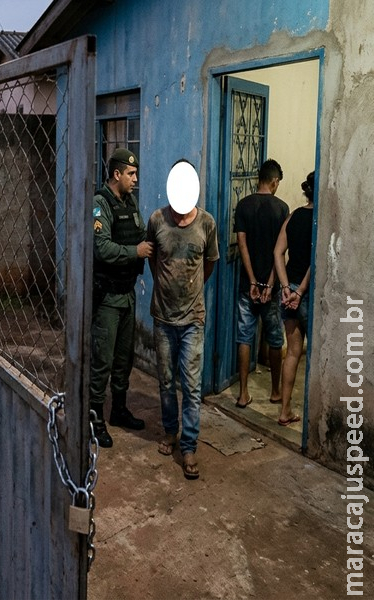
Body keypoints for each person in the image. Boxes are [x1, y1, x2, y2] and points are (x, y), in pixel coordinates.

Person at [147, 160, 219, 480]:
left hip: (193, 319)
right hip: (163, 318)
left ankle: (188, 446)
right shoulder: (157, 220)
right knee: (165, 381)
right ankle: (169, 432)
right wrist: (166, 290)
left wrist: (191, 292)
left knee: (190, 387)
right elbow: (153, 261)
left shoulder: (207, 224)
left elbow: (210, 264)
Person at [89, 148, 154, 448]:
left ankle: (118, 410)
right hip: (108, 299)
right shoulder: (100, 205)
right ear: (116, 174)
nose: (135, 179)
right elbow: (101, 249)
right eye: (131, 174)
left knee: (123, 360)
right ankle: (94, 420)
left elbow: (140, 233)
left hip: (127, 295)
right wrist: (135, 252)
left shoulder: (130, 203)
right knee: (102, 361)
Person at [233, 159, 289, 408]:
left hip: (248, 285)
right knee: (275, 339)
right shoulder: (282, 209)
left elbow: (242, 245)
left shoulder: (243, 206)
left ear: (259, 179)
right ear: (274, 182)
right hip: (272, 288)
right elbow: (281, 252)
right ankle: (276, 391)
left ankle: (243, 393)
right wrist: (269, 283)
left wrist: (253, 281)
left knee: (244, 337)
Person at [273, 170, 315, 427]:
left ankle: (284, 411)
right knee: (314, 356)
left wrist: (286, 287)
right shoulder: (320, 222)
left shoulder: (293, 217)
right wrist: (299, 293)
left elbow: (278, 253)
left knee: (293, 353)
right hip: (306, 294)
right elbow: (315, 260)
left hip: (289, 293)